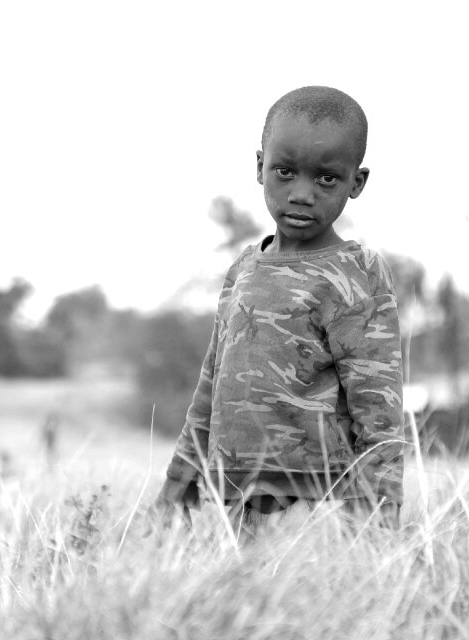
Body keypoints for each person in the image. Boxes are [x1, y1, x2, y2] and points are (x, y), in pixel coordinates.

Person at [155, 86, 405, 537]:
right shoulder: (243, 270)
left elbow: (378, 408)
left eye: (326, 178)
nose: (302, 194)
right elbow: (211, 387)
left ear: (357, 183)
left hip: (316, 505)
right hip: (234, 498)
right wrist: (179, 479)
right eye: (285, 172)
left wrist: (378, 520)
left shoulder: (356, 274)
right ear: (259, 167)